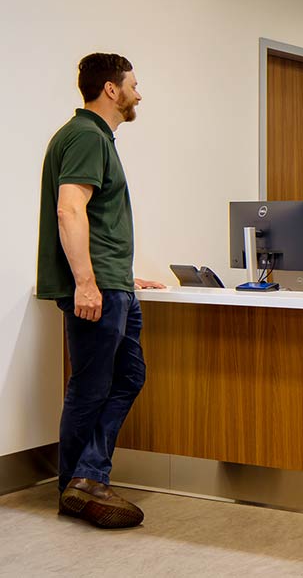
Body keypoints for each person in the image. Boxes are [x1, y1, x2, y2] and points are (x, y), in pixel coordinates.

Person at [36, 53, 165, 529]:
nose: (138, 92)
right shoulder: (88, 136)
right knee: (90, 388)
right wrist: (88, 283)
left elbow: (93, 219)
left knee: (128, 376)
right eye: (133, 83)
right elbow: (70, 211)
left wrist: (121, 275)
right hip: (98, 290)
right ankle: (76, 482)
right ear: (111, 90)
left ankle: (86, 478)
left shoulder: (93, 138)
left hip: (112, 284)